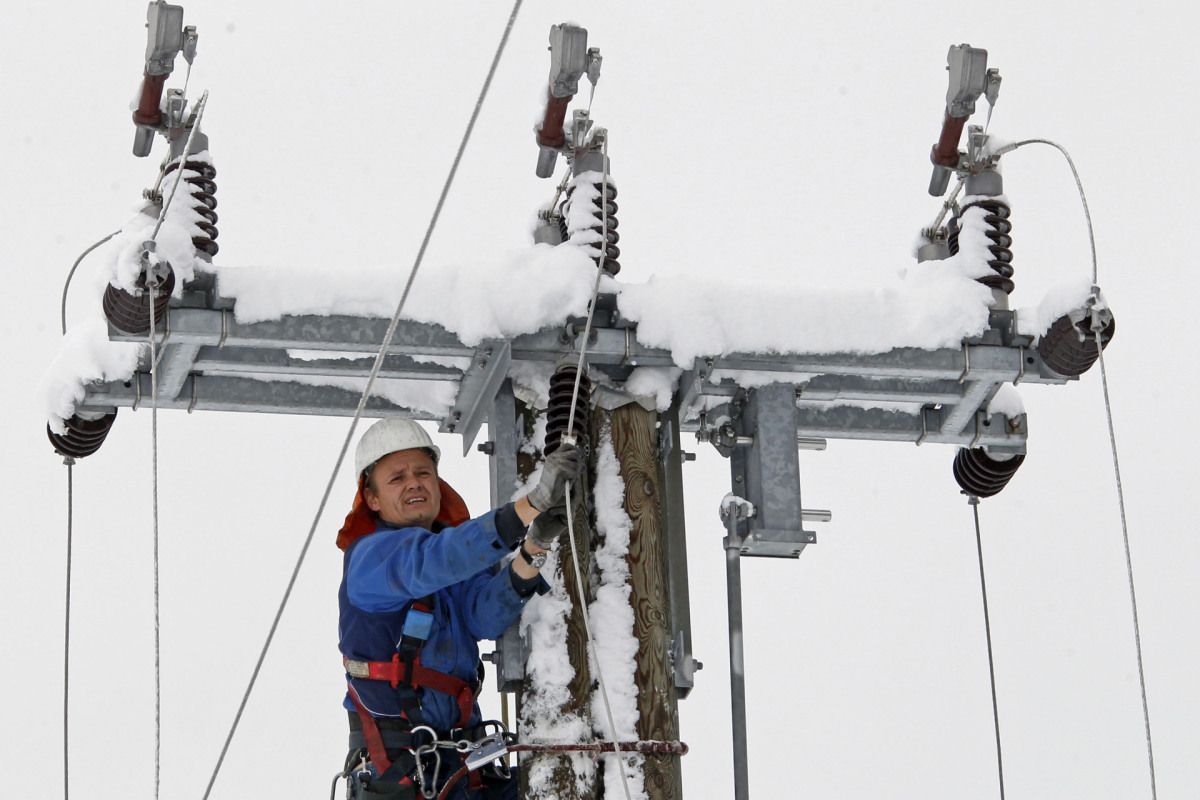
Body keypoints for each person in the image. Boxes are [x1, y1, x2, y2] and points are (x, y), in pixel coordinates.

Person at [336, 416, 576, 799]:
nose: (414, 483)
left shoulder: (452, 560)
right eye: (397, 478)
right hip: (400, 774)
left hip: (463, 768)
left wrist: (534, 547)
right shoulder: (370, 559)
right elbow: (433, 560)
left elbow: (483, 616)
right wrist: (530, 505)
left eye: (423, 473)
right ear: (372, 498)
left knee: (564, 783)